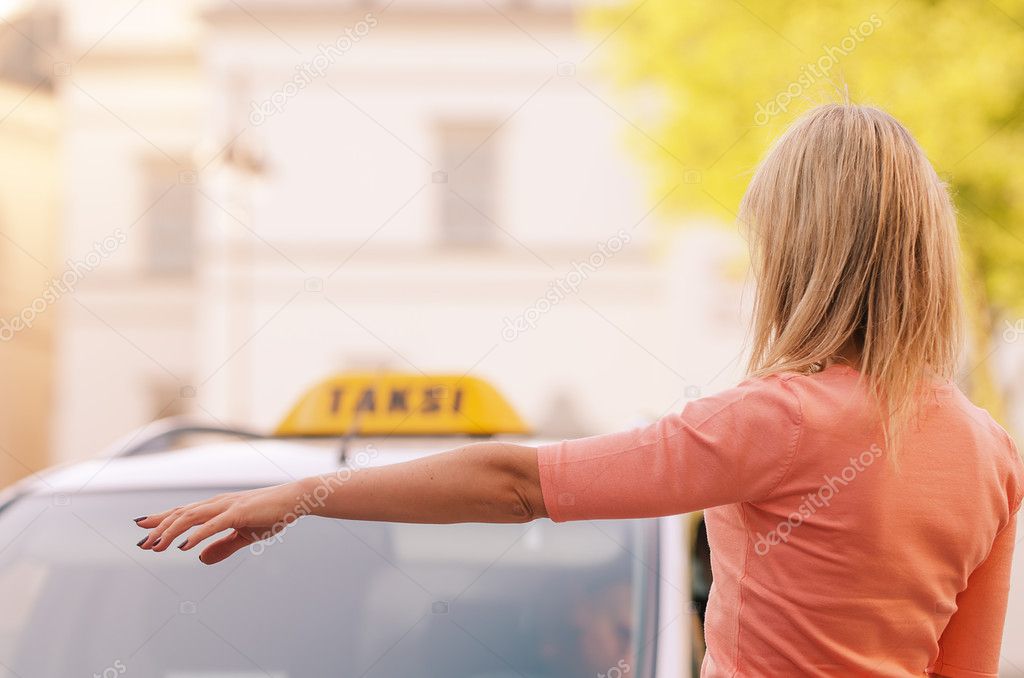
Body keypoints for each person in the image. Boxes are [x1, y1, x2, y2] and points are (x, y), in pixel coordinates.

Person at [133, 103, 1023, 677]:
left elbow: (522, 484)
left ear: (801, 255)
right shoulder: (989, 450)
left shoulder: (780, 422)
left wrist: (303, 492)